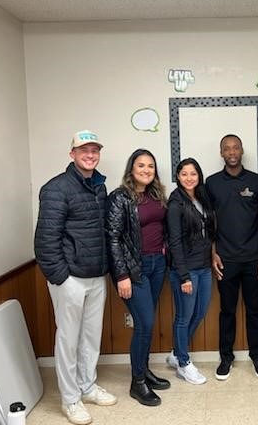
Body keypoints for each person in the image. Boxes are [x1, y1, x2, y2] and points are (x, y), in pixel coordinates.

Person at [34, 130, 117, 425]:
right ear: (72, 154)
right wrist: (61, 277)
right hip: (70, 278)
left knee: (91, 337)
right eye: (84, 150)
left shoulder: (99, 187)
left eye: (94, 150)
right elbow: (45, 240)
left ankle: (87, 386)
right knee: (68, 340)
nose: (90, 155)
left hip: (96, 275)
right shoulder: (55, 188)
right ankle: (70, 400)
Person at [106, 149, 170, 406]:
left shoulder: (156, 195)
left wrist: (164, 249)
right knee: (145, 323)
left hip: (157, 265)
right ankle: (138, 382)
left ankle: (145, 371)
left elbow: (162, 226)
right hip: (134, 269)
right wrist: (121, 275)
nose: (146, 170)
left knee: (147, 322)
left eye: (150, 166)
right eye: (141, 165)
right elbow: (113, 238)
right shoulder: (119, 197)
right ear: (131, 169)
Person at [206, 134, 258, 381]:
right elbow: (210, 223)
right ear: (221, 153)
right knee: (227, 311)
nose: (232, 152)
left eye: (235, 148)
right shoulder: (212, 183)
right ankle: (226, 358)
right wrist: (213, 253)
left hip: (254, 259)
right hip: (225, 260)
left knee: (255, 310)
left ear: (242, 151)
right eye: (227, 148)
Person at [166, 158, 215, 385]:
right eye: (184, 174)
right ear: (178, 176)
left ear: (199, 176)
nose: (189, 178)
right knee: (183, 318)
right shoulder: (176, 203)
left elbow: (208, 232)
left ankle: (177, 353)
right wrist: (184, 276)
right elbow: (174, 242)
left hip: (204, 267)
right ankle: (183, 363)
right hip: (185, 271)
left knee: (200, 312)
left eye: (193, 173)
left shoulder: (201, 197)